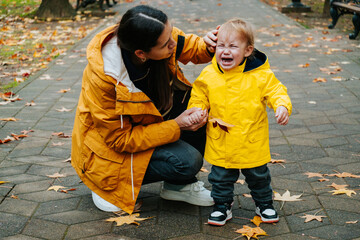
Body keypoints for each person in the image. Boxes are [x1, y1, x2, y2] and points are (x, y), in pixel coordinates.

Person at [71, 5, 219, 214]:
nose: (173, 43)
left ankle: (178, 186)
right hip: (109, 151)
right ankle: (106, 185)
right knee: (187, 161)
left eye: (172, 33)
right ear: (141, 53)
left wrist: (212, 44)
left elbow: (194, 48)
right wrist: (176, 125)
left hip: (149, 125)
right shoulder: (105, 78)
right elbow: (119, 140)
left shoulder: (160, 35)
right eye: (166, 44)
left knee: (200, 107)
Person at [187, 18, 292, 226]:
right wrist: (197, 109)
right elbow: (199, 95)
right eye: (220, 46)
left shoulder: (260, 75)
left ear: (247, 50)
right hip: (222, 141)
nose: (225, 51)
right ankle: (222, 206)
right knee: (220, 178)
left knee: (258, 177)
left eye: (233, 46)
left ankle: (264, 204)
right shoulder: (209, 74)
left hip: (251, 141)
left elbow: (276, 91)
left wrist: (281, 106)